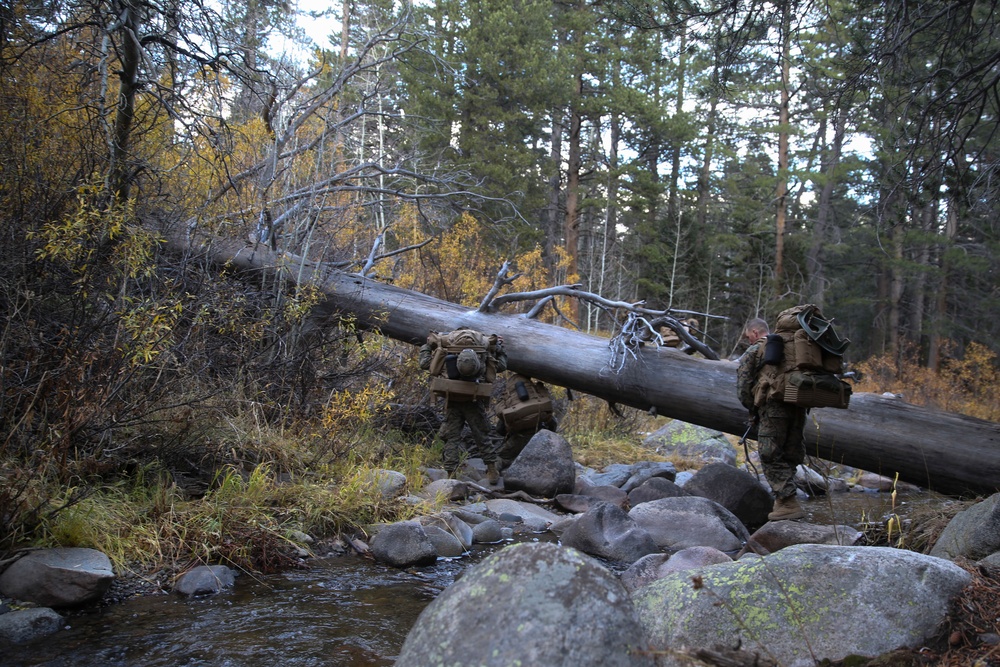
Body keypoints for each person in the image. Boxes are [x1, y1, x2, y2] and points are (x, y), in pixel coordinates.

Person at [736, 316, 807, 521]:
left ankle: (788, 502)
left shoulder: (756, 349)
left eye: (749, 336)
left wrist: (753, 408)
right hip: (798, 407)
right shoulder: (794, 348)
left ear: (755, 333)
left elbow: (743, 387)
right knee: (790, 452)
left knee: (769, 453)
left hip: (773, 409)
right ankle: (783, 502)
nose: (749, 340)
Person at [419, 328, 507, 484]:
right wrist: (500, 349)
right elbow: (500, 366)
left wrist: (427, 346)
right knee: (482, 435)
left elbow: (425, 364)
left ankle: (450, 475)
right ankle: (492, 471)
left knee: (451, 437)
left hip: (452, 399)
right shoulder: (481, 351)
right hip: (474, 400)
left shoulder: (447, 347)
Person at [493, 374, 558, 469]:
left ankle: (493, 472)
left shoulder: (507, 399)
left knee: (502, 457)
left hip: (518, 438)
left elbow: (500, 429)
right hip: (540, 434)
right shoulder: (536, 392)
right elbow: (548, 405)